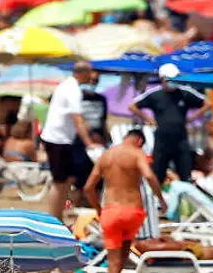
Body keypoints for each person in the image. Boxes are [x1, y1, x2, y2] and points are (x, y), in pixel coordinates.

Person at [84, 129, 165, 273]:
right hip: (133, 212)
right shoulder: (137, 153)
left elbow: (88, 188)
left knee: (114, 263)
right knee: (122, 259)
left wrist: (98, 209)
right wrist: (161, 199)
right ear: (140, 142)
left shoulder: (106, 155)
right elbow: (149, 176)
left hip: (111, 211)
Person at [41, 61, 100, 220]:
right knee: (59, 182)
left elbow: (78, 118)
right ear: (84, 73)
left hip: (61, 138)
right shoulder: (73, 90)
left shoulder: (66, 85)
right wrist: (89, 143)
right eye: (91, 73)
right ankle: (54, 218)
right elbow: (77, 119)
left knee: (68, 179)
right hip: (58, 139)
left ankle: (58, 215)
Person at [132, 64, 206, 183]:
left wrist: (192, 117)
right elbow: (133, 106)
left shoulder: (185, 93)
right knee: (158, 173)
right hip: (162, 140)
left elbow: (207, 103)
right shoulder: (155, 94)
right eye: (169, 79)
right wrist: (148, 118)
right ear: (162, 79)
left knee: (185, 173)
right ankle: (158, 198)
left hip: (180, 140)